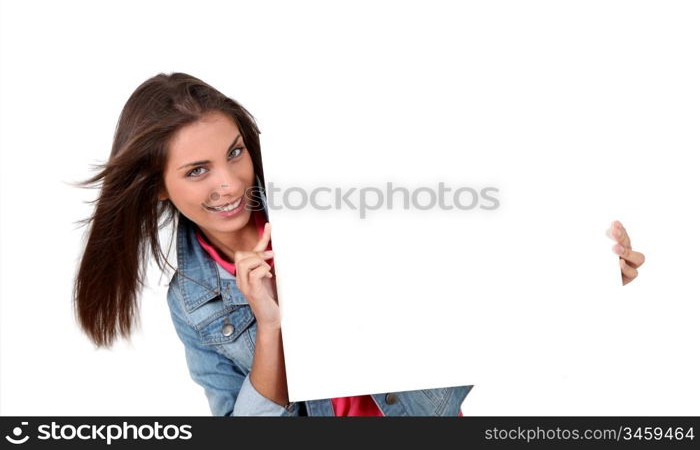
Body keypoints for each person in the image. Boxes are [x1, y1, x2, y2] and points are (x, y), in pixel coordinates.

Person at [72, 72, 646, 416]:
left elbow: (464, 309)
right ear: (159, 190)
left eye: (235, 152)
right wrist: (268, 326)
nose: (230, 183)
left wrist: (584, 279)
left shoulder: (339, 203)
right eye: (196, 171)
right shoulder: (193, 301)